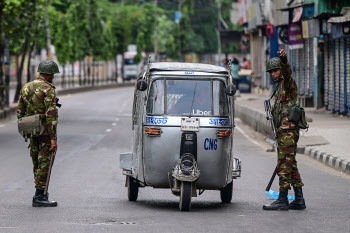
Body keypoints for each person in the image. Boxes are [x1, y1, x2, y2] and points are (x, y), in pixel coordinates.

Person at [263, 45, 306, 211]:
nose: (274, 74)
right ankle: (299, 199)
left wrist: (284, 60)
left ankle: (282, 199)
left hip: (288, 131)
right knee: (291, 164)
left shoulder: (288, 84)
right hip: (283, 130)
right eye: (271, 72)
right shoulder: (279, 88)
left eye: (276, 70)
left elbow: (288, 73)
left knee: (283, 164)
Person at [17, 59, 60, 207]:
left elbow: (20, 111)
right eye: (52, 74)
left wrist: (26, 126)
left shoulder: (26, 87)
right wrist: (53, 139)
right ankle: (40, 196)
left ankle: (40, 191)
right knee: (45, 162)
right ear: (48, 75)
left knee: (36, 161)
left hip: (31, 129)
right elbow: (51, 115)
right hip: (44, 131)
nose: (53, 77)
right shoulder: (48, 89)